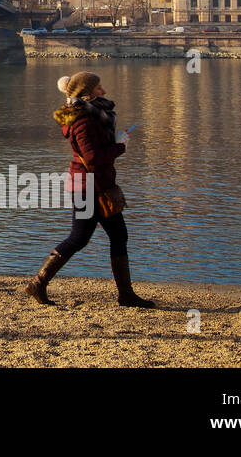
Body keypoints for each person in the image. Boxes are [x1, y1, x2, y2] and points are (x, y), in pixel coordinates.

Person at [24, 70, 155, 308]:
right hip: (86, 187)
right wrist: (119, 146)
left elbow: (95, 152)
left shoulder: (92, 116)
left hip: (98, 184)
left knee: (118, 235)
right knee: (78, 238)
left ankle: (126, 295)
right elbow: (92, 158)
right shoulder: (83, 121)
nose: (103, 91)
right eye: (98, 89)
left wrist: (114, 142)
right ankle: (38, 283)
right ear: (86, 94)